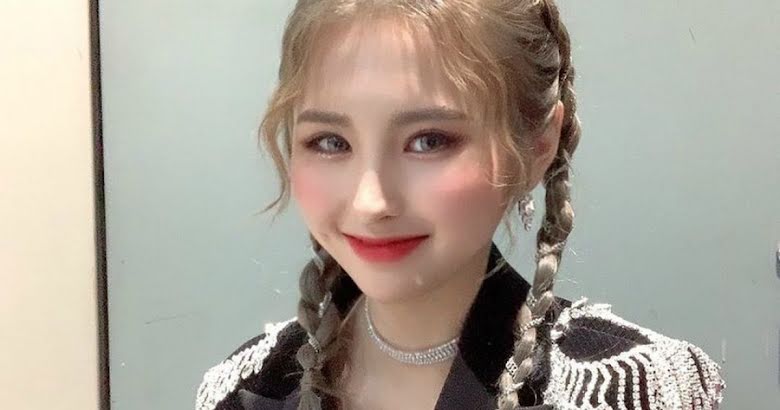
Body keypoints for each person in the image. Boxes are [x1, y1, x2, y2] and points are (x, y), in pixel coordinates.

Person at [196, 1, 726, 409]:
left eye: (429, 141)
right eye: (331, 142)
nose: (371, 201)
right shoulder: (245, 388)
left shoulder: (635, 389)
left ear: (538, 145)